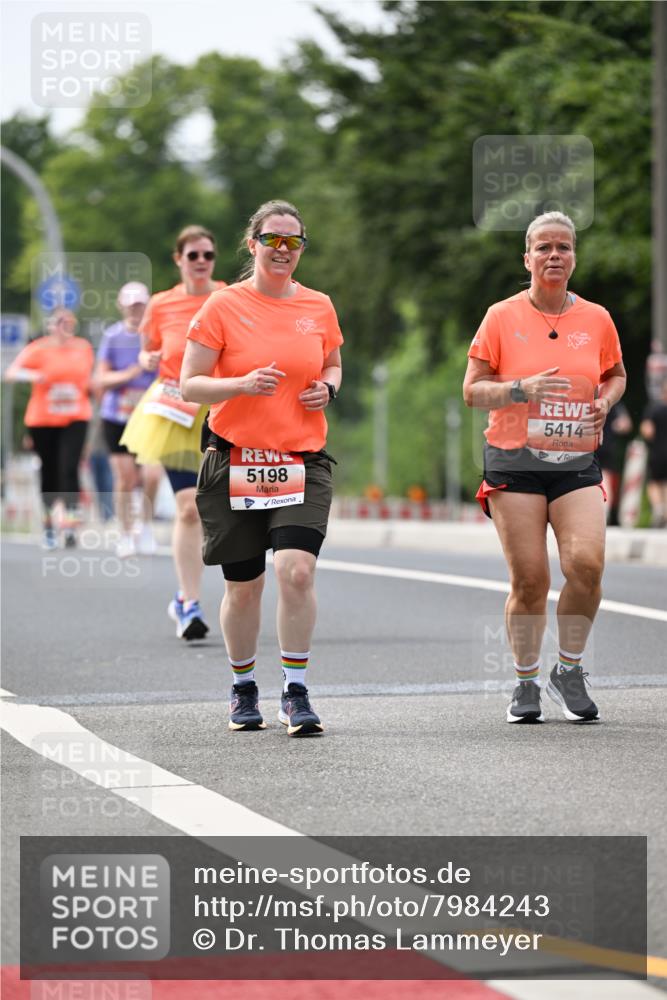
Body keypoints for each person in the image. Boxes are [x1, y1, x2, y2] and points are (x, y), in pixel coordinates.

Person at [180, 199, 343, 736]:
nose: (283, 249)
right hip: (236, 459)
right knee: (244, 587)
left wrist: (329, 388)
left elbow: (333, 361)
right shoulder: (223, 305)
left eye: (293, 241)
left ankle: (295, 692)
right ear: (253, 245)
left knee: (296, 570)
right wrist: (242, 384)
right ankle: (243, 686)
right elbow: (190, 383)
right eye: (272, 239)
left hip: (301, 460)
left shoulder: (318, 305)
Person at [462, 211, 626, 724]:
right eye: (544, 248)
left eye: (564, 247)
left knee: (587, 566)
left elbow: (616, 374)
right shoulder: (500, 316)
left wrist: (605, 402)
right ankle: (526, 681)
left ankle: (569, 670)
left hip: (575, 459)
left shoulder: (596, 318)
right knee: (531, 580)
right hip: (514, 459)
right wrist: (520, 389)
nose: (555, 255)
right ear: (527, 258)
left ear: (573, 257)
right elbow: (472, 391)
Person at [121, 228, 226, 639]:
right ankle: (188, 602)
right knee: (188, 508)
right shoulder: (161, 304)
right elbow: (149, 349)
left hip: (221, 408)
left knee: (222, 509)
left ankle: (239, 596)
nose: (201, 261)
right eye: (193, 255)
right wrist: (148, 358)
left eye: (208, 255)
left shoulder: (228, 297)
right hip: (175, 410)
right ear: (178, 259)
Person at [5, 308, 94, 549]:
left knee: (69, 469)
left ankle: (70, 525)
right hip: (43, 419)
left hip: (75, 416)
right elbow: (11, 373)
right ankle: (48, 527)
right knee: (50, 472)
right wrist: (34, 376)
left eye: (70, 321)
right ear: (51, 325)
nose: (65, 326)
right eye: (60, 322)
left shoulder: (83, 348)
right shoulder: (38, 348)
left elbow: (88, 381)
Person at [94, 281, 162, 557]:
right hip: (117, 416)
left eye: (140, 305)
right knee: (126, 478)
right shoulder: (112, 336)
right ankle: (124, 533)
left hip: (150, 416)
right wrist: (131, 373)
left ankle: (144, 526)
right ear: (121, 306)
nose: (136, 311)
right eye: (131, 306)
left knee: (152, 475)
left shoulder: (156, 335)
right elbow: (101, 378)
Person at [596, 401, 632, 524]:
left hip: (588, 446)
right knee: (605, 480)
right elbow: (625, 425)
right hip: (607, 445)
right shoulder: (614, 403)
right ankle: (604, 514)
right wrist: (613, 427)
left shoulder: (586, 399)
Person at [640, 377, 667, 527]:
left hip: (658, 452)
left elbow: (647, 431)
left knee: (654, 482)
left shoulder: (654, 409)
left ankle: (658, 509)